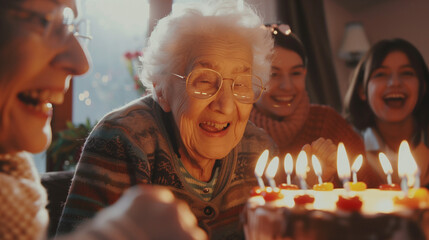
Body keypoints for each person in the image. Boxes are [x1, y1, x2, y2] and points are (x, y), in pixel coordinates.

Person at [56, 1, 276, 239]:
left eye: (241, 84)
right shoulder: (121, 141)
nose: (224, 105)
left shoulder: (258, 150)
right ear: (161, 90)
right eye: (203, 81)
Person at [0, 0, 206, 239]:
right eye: (47, 21)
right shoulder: (122, 136)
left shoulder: (14, 174)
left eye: (69, 26)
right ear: (160, 89)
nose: (82, 63)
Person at [249, 24, 371, 187]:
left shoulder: (328, 123)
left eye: (296, 73)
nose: (287, 86)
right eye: (273, 74)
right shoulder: (236, 133)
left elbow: (372, 188)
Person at [344, 38, 429, 188]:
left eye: (407, 73)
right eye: (381, 74)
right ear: (362, 90)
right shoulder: (347, 148)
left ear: (422, 87)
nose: (394, 82)